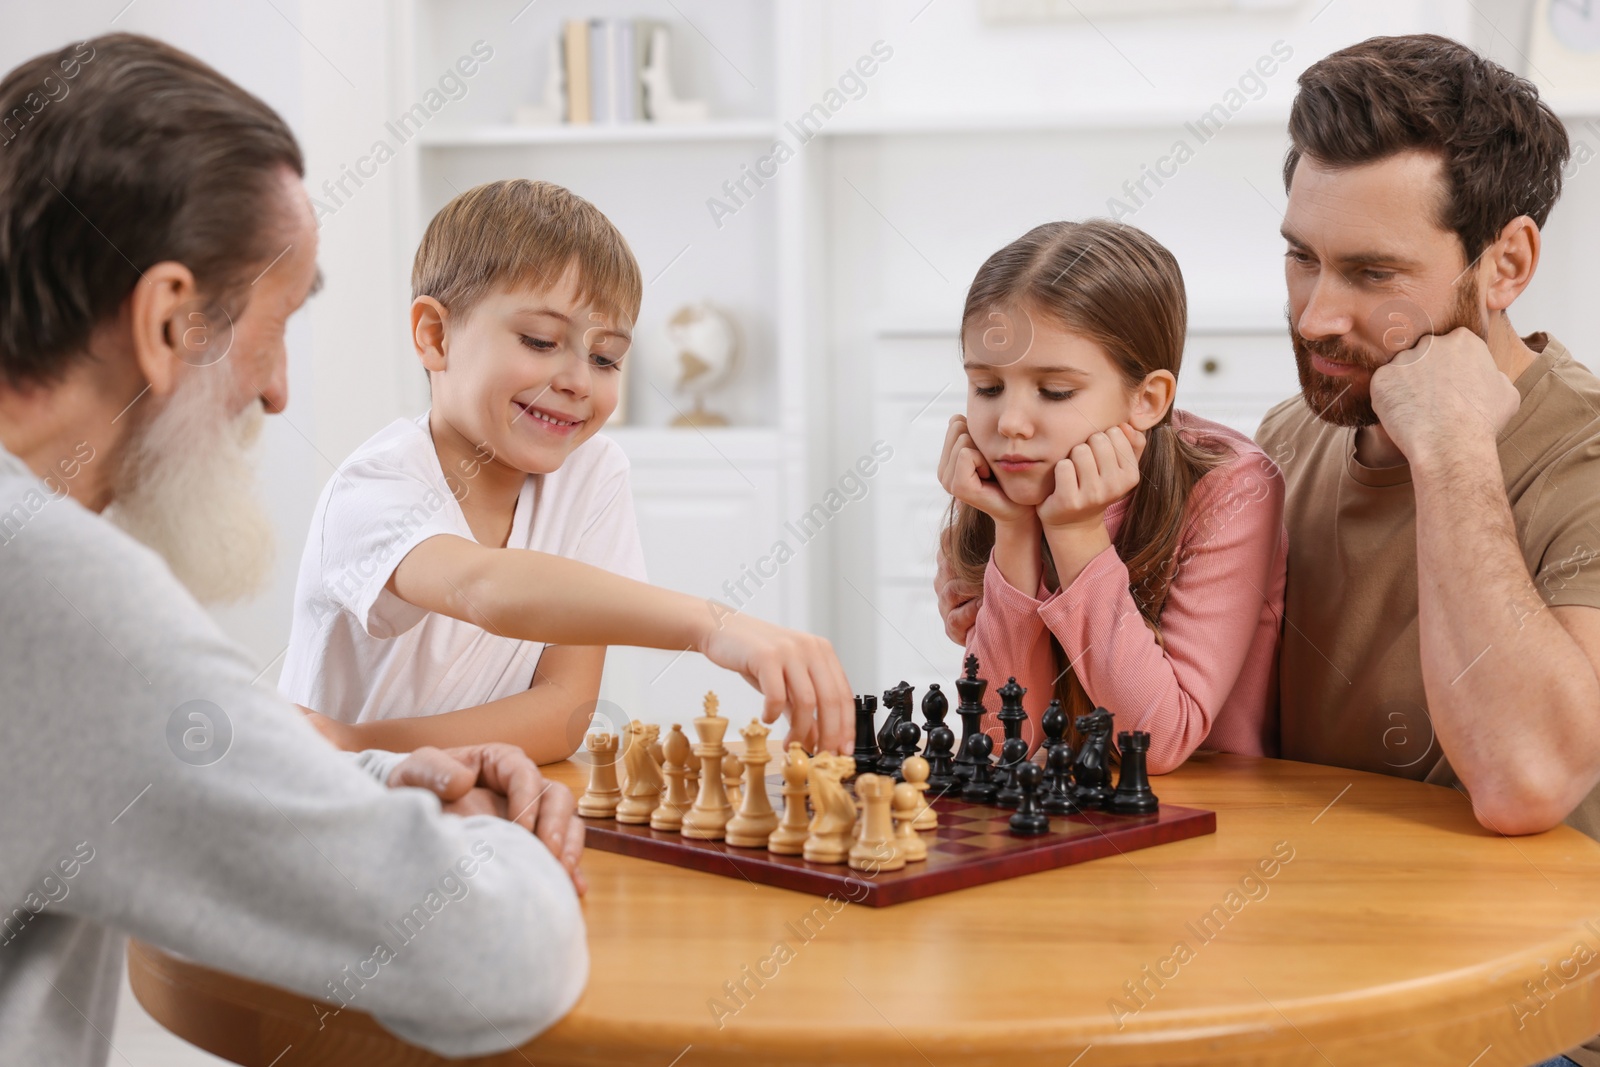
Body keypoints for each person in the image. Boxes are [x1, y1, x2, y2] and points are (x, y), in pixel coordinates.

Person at [936, 35, 1600, 1067]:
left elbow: (1523, 780)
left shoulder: (1581, 455)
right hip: (1299, 964)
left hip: (1513, 1020)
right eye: (1301, 256)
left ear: (1505, 263)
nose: (1314, 314)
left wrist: (1454, 448)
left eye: (1372, 272)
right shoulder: (1292, 438)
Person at [0, 34, 586, 1065]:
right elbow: (498, 960)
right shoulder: (47, 587)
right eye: (275, 328)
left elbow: (167, 794)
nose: (276, 390)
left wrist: (386, 781)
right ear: (168, 321)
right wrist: (494, 832)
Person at [279, 180, 854, 762]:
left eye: (605, 358)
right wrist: (709, 625)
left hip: (467, 809)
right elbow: (485, 588)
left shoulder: (593, 474)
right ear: (435, 336)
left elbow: (562, 708)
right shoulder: (374, 488)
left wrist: (361, 745)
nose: (578, 380)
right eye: (540, 340)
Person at [938, 220, 1285, 771]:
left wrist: (1074, 534)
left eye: (1055, 392)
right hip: (1053, 816)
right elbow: (1003, 742)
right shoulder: (995, 493)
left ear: (1147, 399)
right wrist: (1014, 533)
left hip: (1209, 814)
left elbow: (1158, 742)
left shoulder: (1232, 489)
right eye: (987, 387)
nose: (1010, 423)